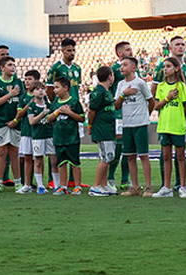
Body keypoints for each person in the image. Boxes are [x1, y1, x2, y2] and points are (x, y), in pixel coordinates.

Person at [114, 57, 154, 197]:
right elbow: (116, 105)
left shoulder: (140, 83)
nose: (122, 67)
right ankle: (135, 187)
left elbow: (151, 101)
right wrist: (123, 94)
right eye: (121, 65)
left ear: (133, 68)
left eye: (125, 65)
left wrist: (145, 115)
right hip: (127, 124)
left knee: (143, 155)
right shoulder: (120, 85)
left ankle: (148, 187)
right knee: (130, 156)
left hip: (140, 124)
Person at [153, 57, 186, 198]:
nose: (165, 69)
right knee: (167, 157)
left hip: (177, 126)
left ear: (176, 68)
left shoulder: (181, 87)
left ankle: (182, 186)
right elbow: (156, 106)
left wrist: (180, 118)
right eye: (164, 66)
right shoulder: (161, 87)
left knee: (180, 157)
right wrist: (168, 98)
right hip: (164, 126)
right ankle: (167, 187)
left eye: (168, 66)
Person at [0, 57, 25, 194]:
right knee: (2, 151)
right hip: (0, 121)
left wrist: (15, 120)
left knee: (14, 152)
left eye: (14, 65)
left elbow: (22, 104)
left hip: (15, 122)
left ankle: (18, 183)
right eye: (10, 65)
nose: (13, 67)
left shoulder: (18, 83)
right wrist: (10, 94)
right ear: (2, 68)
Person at [46, 76, 84, 196]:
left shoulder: (74, 102)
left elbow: (81, 118)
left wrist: (69, 113)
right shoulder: (55, 104)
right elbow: (48, 119)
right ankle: (63, 186)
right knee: (61, 163)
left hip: (72, 138)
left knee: (75, 163)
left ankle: (77, 186)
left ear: (66, 88)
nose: (54, 90)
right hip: (58, 138)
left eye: (57, 87)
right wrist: (57, 112)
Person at [88, 66, 118, 197]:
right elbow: (91, 110)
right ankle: (95, 186)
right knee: (107, 156)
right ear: (110, 76)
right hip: (102, 129)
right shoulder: (98, 92)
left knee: (106, 156)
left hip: (108, 128)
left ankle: (104, 185)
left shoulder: (106, 91)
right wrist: (90, 125)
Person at [24, 83, 51, 194]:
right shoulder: (32, 106)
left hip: (49, 135)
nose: (40, 91)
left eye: (42, 89)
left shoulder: (49, 104)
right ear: (33, 92)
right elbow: (32, 121)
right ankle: (40, 185)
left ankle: (58, 185)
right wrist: (43, 113)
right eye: (37, 89)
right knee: (38, 161)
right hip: (38, 136)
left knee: (53, 160)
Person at [45, 38, 82, 102]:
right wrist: (55, 104)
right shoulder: (56, 68)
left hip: (75, 103)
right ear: (62, 51)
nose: (72, 53)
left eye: (73, 50)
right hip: (61, 105)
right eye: (69, 51)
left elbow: (77, 87)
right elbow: (49, 89)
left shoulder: (77, 68)